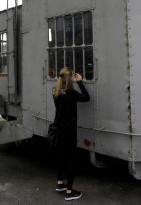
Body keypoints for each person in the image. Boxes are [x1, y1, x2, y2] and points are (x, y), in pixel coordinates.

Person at [53, 67, 90, 201]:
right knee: (71, 160)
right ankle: (69, 191)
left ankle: (60, 183)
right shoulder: (70, 92)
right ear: (71, 78)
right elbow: (86, 98)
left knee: (62, 157)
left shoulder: (56, 91)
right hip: (69, 130)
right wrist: (80, 82)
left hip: (59, 129)